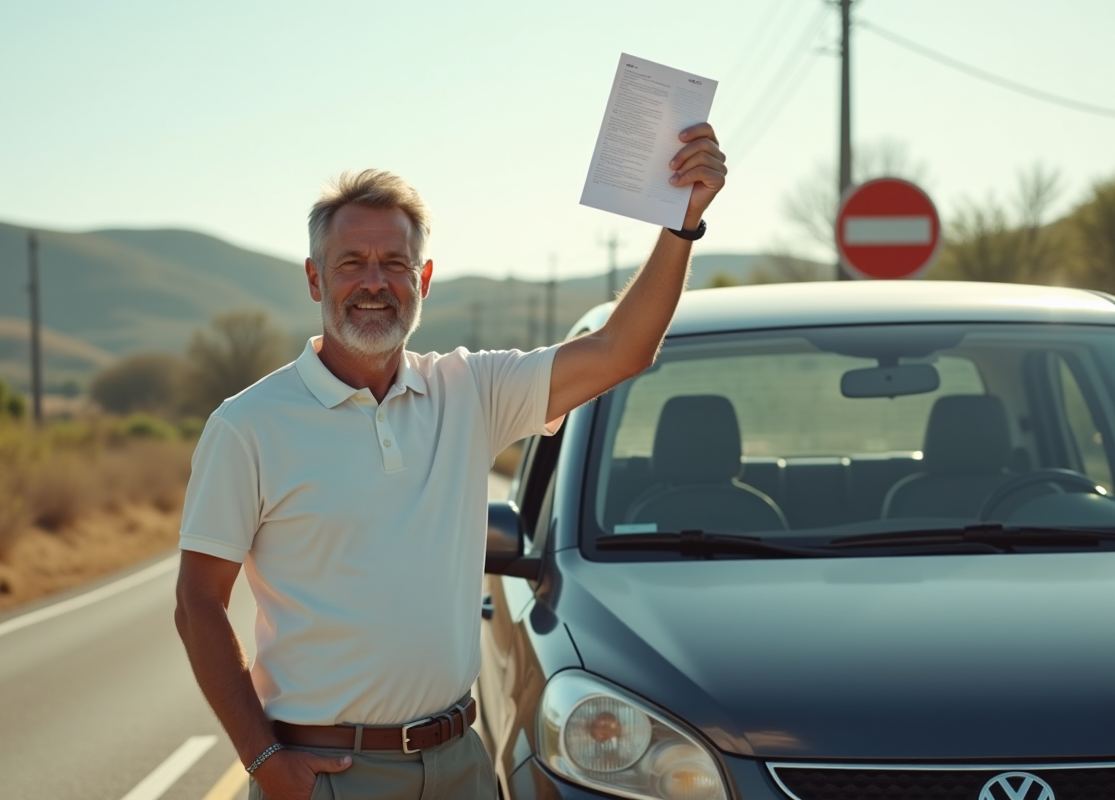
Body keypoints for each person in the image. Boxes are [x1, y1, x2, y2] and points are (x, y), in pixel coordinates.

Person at [174, 122, 727, 800]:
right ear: (316, 276)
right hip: (326, 774)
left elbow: (622, 351)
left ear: (424, 278)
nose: (374, 283)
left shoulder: (470, 390)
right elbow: (199, 604)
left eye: (394, 264)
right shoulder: (247, 426)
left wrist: (682, 225)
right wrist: (262, 760)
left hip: (460, 763)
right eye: (351, 262)